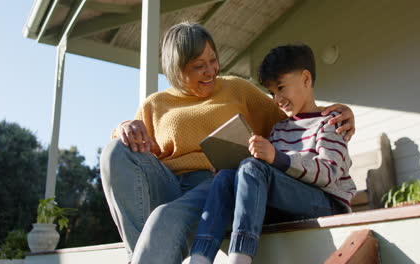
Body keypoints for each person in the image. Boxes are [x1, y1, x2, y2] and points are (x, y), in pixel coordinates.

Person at [100, 22, 356, 264]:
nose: (210, 70)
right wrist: (123, 128)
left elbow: (294, 117)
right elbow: (129, 158)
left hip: (215, 184)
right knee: (114, 151)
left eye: (213, 60)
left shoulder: (237, 89)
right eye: (199, 65)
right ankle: (140, 255)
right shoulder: (155, 104)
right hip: (168, 184)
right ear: (177, 69)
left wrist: (337, 113)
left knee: (164, 217)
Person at [189, 44, 357, 264]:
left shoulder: (331, 122)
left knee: (252, 167)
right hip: (284, 205)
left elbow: (328, 171)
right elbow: (268, 173)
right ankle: (199, 258)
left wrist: (277, 157)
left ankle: (240, 257)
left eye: (281, 87)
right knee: (225, 177)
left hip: (325, 203)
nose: (277, 99)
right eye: (272, 92)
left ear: (306, 79)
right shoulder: (279, 128)